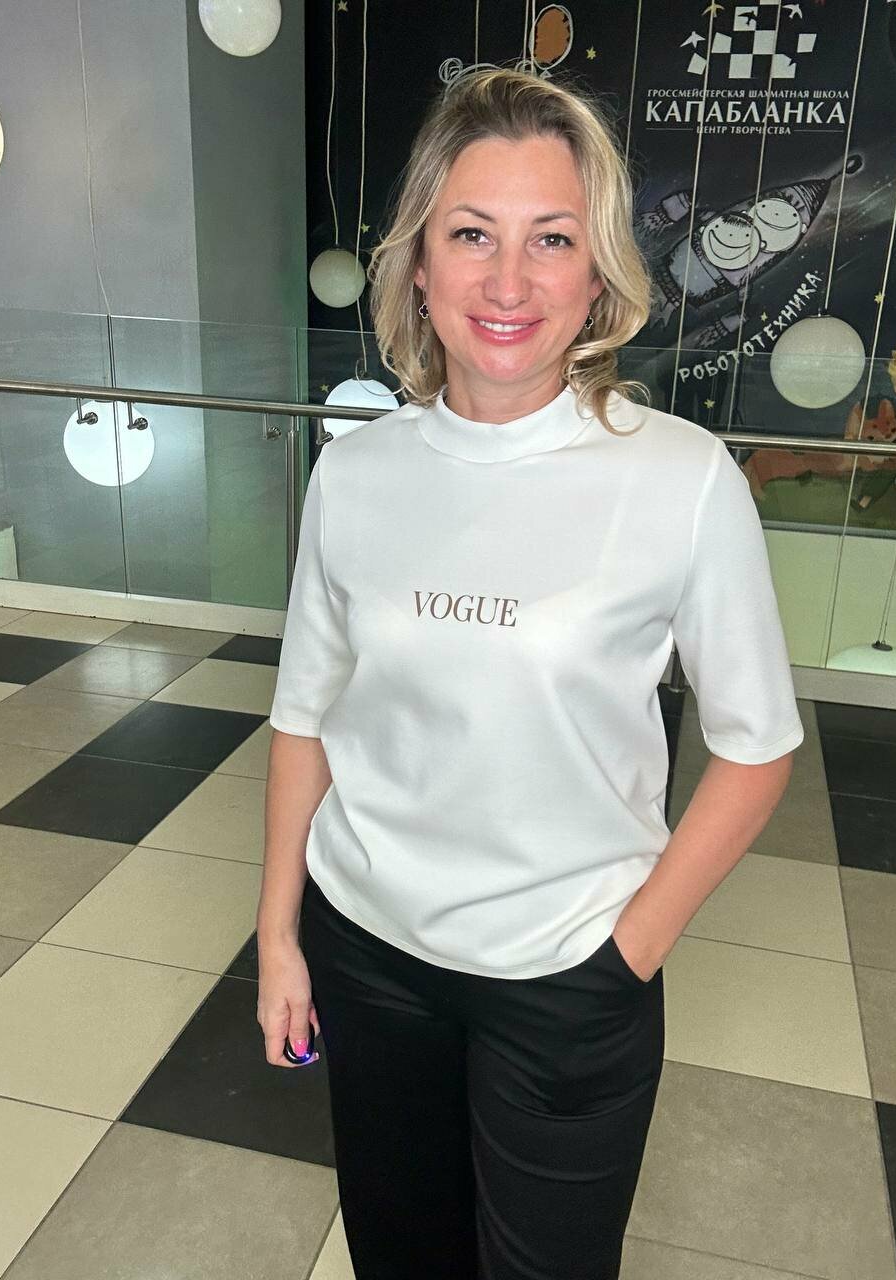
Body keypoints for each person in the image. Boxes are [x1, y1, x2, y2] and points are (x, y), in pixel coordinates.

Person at [256, 67, 804, 1280]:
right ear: (418, 264)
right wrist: (280, 937)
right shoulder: (354, 472)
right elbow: (303, 720)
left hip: (567, 975)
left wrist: (627, 952)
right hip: (365, 950)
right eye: (470, 235)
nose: (507, 282)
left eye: (549, 238)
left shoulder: (680, 478)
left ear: (597, 272)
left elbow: (755, 745)